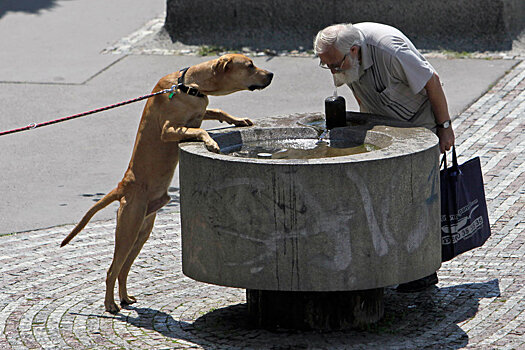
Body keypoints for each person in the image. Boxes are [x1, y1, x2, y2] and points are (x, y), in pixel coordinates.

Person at [314, 22, 455, 292]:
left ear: (354, 51)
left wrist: (445, 127)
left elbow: (432, 81)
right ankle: (385, 263)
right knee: (383, 193)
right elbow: (356, 86)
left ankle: (420, 271)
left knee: (413, 195)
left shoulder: (390, 51)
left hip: (419, 123)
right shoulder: (343, 55)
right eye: (326, 66)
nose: (332, 71)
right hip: (384, 124)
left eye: (334, 65)